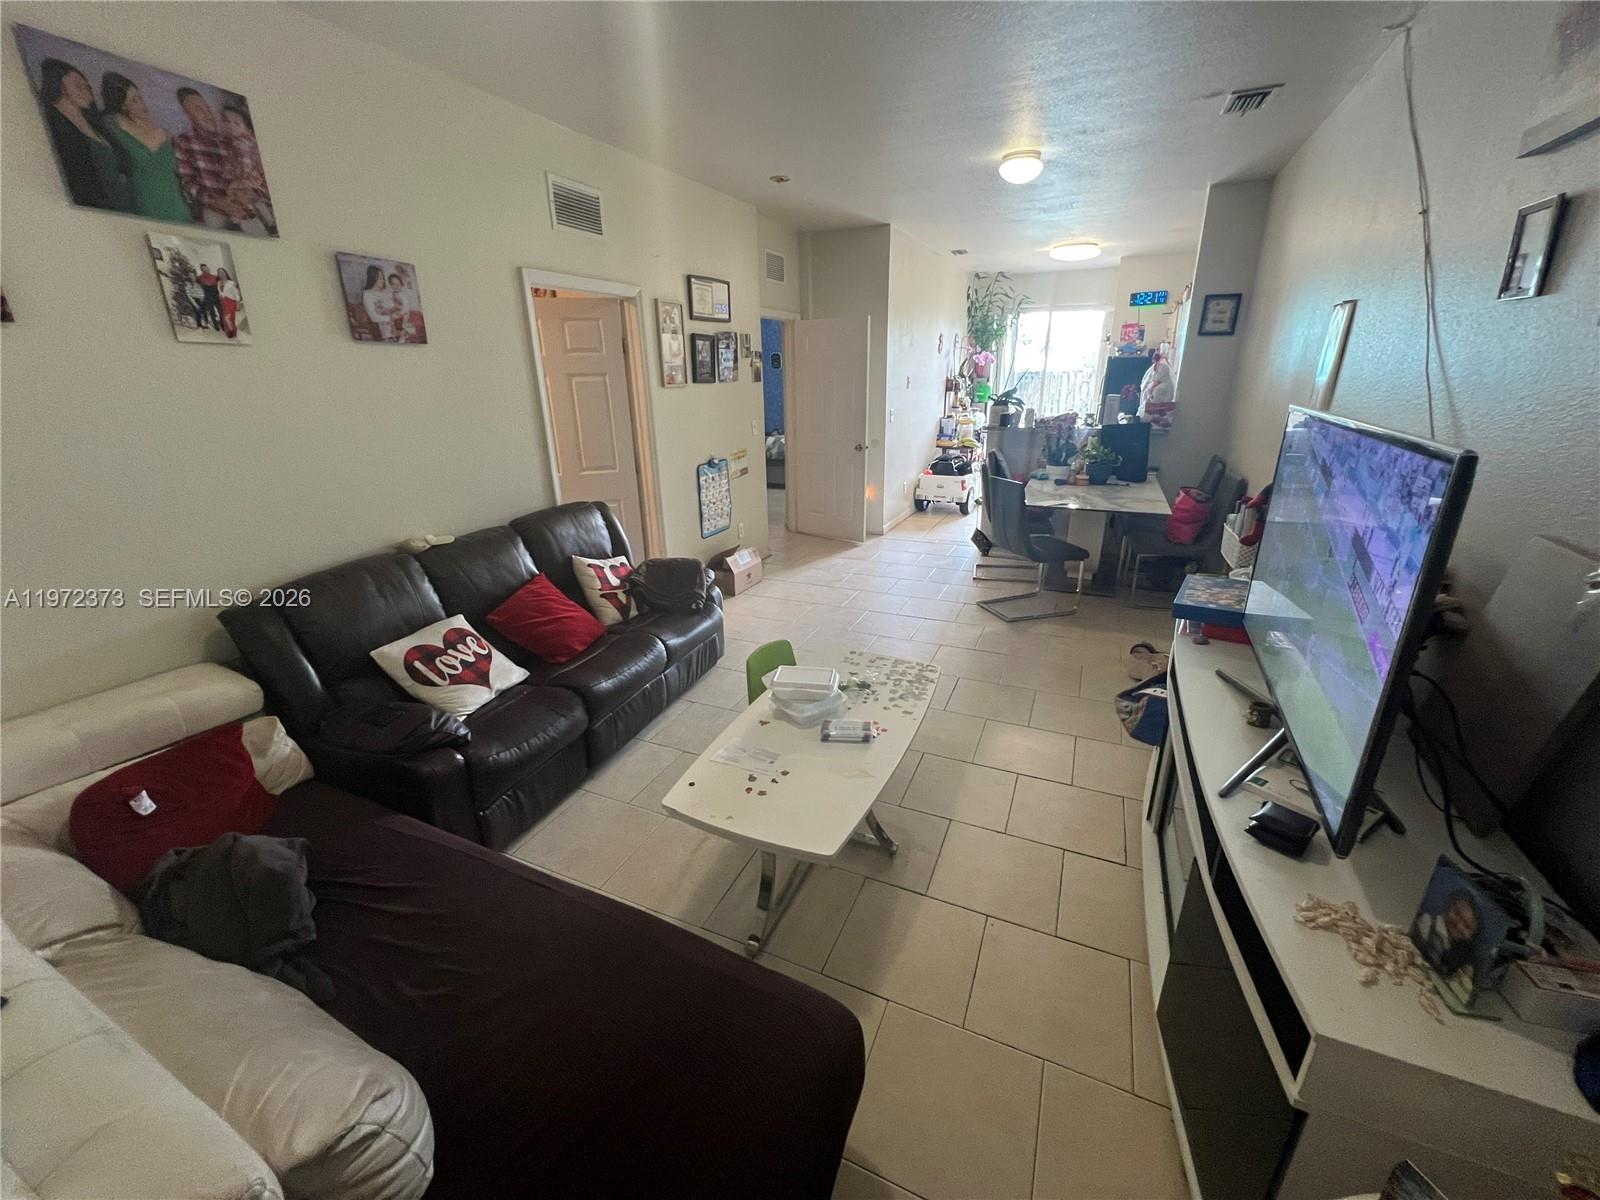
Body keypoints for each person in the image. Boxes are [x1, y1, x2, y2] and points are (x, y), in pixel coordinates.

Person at [36, 58, 129, 210]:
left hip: (124, 207)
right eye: (79, 86)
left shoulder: (98, 124)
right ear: (57, 85)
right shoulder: (52, 124)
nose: (88, 94)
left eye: (87, 87)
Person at [99, 72, 190, 222]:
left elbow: (180, 171)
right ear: (122, 105)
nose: (142, 104)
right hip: (146, 207)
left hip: (179, 209)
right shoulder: (112, 123)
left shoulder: (163, 132)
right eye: (134, 100)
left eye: (140, 98)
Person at [173, 86, 250, 229]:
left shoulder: (231, 139)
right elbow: (187, 182)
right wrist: (215, 202)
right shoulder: (184, 141)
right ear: (187, 114)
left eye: (206, 107)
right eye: (197, 109)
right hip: (213, 206)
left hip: (242, 203)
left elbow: (248, 172)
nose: (205, 112)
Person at [218, 103, 276, 236]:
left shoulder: (246, 143)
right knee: (235, 195)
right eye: (227, 122)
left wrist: (239, 183)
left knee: (244, 196)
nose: (231, 127)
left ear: (248, 128)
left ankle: (262, 221)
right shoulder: (232, 145)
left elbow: (247, 168)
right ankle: (240, 220)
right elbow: (229, 168)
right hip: (242, 182)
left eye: (237, 124)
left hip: (253, 183)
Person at [360, 264, 395, 341]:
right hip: (381, 327)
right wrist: (390, 318)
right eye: (380, 278)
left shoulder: (385, 292)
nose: (383, 281)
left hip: (393, 323)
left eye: (383, 278)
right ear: (373, 279)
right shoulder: (367, 294)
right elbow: (373, 317)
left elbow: (392, 304)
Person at [195, 263, 223, 331]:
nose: (206, 270)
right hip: (207, 297)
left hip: (216, 295)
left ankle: (223, 324)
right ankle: (216, 326)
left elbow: (221, 284)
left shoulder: (215, 277)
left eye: (207, 268)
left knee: (220, 310)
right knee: (212, 312)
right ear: (202, 270)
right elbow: (196, 285)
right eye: (204, 269)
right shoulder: (199, 278)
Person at [216, 268, 243, 339]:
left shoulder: (231, 283)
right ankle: (230, 332)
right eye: (219, 272)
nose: (221, 274)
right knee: (226, 318)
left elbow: (237, 294)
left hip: (230, 301)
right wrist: (220, 295)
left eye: (222, 272)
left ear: (225, 272)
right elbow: (220, 292)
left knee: (228, 318)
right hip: (223, 302)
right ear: (218, 274)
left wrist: (238, 304)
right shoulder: (218, 282)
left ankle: (232, 331)